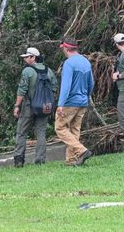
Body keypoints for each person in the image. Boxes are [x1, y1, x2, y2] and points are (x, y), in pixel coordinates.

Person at [13, 47, 57, 167]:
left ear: (33, 57)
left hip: (29, 106)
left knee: (21, 132)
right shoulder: (49, 71)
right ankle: (40, 160)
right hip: (45, 106)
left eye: (27, 57)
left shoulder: (27, 71)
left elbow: (22, 90)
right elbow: (54, 89)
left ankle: (19, 160)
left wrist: (17, 106)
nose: (25, 59)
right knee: (41, 133)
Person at [55, 37, 94, 166]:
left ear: (66, 48)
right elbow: (91, 83)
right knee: (74, 130)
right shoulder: (86, 62)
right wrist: (86, 97)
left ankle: (81, 150)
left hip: (70, 102)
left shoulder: (69, 63)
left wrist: (61, 104)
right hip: (82, 101)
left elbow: (66, 86)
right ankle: (71, 160)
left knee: (60, 127)